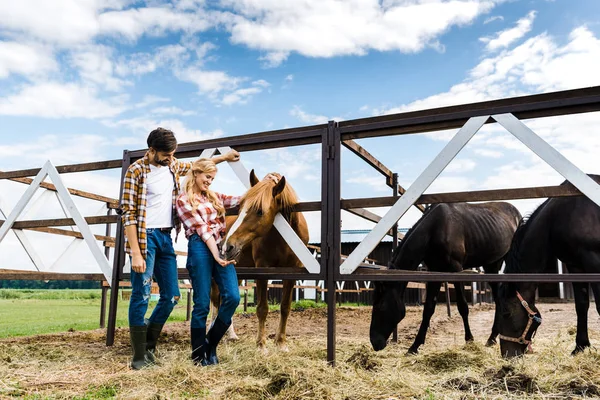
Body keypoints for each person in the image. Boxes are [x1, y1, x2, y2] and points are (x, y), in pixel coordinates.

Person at [120, 127, 239, 370]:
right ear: (152, 150)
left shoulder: (172, 165)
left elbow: (198, 166)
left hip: (165, 238)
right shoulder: (136, 171)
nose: (171, 158)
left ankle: (149, 345)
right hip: (144, 237)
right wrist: (135, 252)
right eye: (166, 154)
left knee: (172, 296)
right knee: (141, 293)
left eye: (173, 154)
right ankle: (139, 357)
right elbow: (128, 214)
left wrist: (224, 158)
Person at [175, 158, 241, 366]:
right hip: (200, 247)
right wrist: (216, 255)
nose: (210, 181)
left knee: (232, 296)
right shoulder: (183, 200)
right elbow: (202, 230)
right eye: (207, 177)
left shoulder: (215, 197)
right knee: (202, 303)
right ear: (195, 173)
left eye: (212, 178)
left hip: (220, 245)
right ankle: (197, 355)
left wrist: (264, 184)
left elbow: (240, 200)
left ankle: (210, 344)